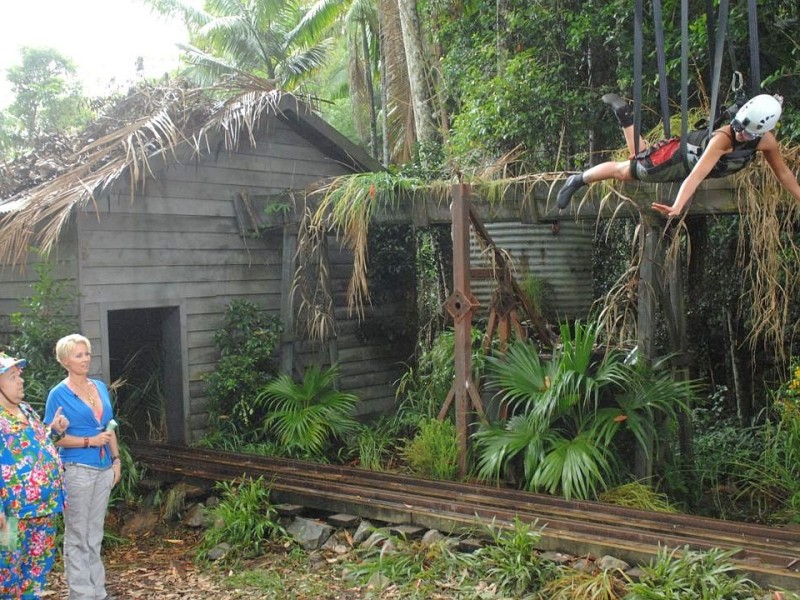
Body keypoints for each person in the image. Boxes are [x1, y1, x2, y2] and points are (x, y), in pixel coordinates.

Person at [556, 93, 800, 216]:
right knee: (629, 170)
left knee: (638, 157)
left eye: (746, 134)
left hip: (683, 158)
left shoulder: (767, 141)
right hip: (677, 159)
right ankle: (577, 179)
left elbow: (784, 174)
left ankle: (625, 117)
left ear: (762, 132)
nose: (739, 135)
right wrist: (677, 206)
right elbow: (695, 176)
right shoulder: (722, 140)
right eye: (737, 127)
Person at [45, 334, 120, 600]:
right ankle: (80, 594)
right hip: (76, 467)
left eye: (86, 353)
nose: (85, 359)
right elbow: (53, 436)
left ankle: (97, 592)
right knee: (77, 533)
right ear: (65, 361)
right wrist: (89, 441)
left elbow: (110, 426)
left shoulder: (99, 386)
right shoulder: (58, 394)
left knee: (95, 533)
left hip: (103, 468)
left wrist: (116, 459)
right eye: (78, 355)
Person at [0, 352, 69, 599]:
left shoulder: (26, 410)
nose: (20, 381)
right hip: (11, 515)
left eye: (19, 375)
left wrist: (54, 431)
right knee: (7, 572)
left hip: (45, 507)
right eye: (11, 377)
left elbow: (38, 447)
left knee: (36, 569)